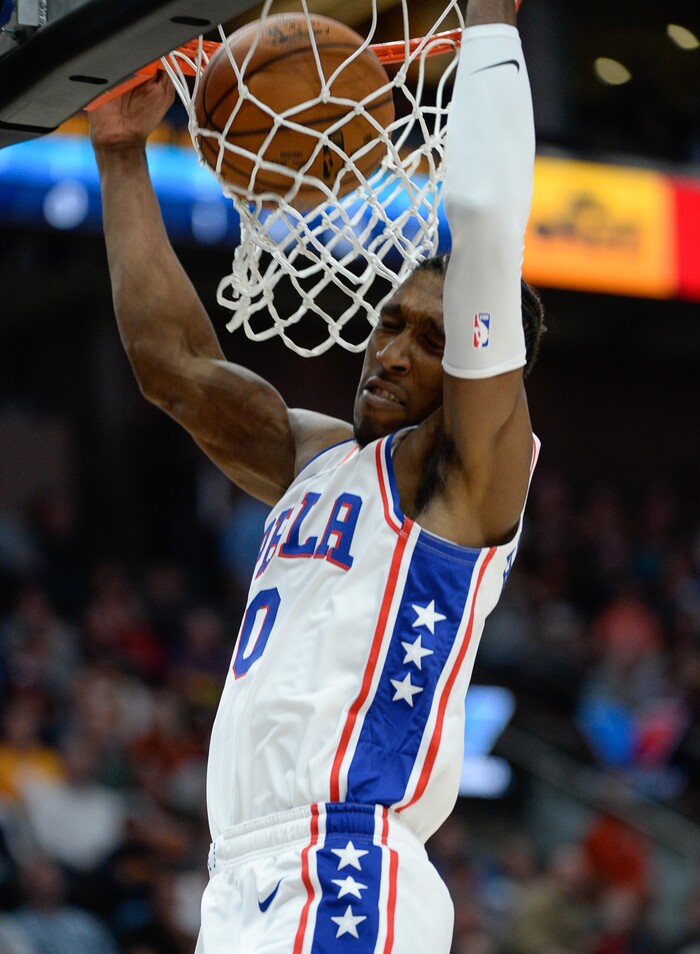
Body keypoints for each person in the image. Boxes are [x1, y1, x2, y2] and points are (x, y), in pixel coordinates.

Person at [88, 0, 544, 949]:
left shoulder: (469, 480)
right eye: (391, 324)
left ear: (475, 367)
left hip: (345, 868)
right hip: (241, 879)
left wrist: (495, 29)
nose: (395, 352)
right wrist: (122, 154)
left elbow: (490, 226)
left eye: (434, 339)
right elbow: (172, 367)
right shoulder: (316, 456)